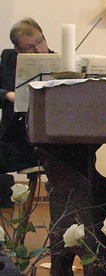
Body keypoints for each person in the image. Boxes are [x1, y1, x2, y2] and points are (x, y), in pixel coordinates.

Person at [0, 17, 51, 175]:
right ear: (18, 50)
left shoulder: (61, 64)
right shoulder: (9, 59)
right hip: (15, 143)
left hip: (51, 145)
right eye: (29, 47)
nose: (38, 50)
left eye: (40, 42)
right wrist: (8, 95)